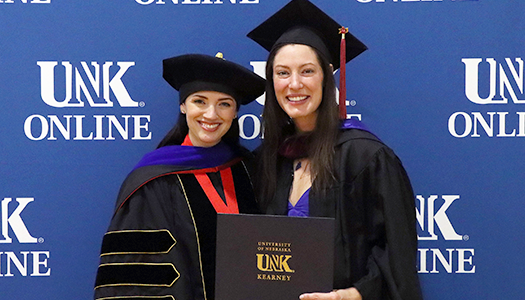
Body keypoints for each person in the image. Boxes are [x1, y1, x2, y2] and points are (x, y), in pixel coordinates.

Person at [247, 0, 423, 299]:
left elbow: (397, 252)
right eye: (282, 73)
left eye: (307, 71)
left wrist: (354, 294)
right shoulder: (265, 160)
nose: (294, 84)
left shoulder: (367, 157)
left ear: (327, 75)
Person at [93, 53, 265, 300]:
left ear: (235, 112)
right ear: (183, 106)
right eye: (200, 101)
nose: (211, 114)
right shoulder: (153, 181)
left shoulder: (250, 170)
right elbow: (134, 278)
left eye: (224, 104)